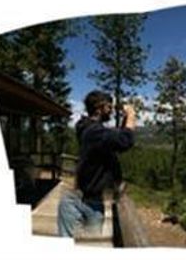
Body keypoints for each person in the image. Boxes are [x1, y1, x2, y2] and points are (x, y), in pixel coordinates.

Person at [57, 90, 137, 237]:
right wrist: (131, 115)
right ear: (99, 108)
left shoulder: (88, 129)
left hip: (80, 199)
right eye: (109, 107)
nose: (111, 111)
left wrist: (125, 120)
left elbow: (114, 138)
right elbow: (125, 141)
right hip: (88, 203)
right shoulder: (94, 132)